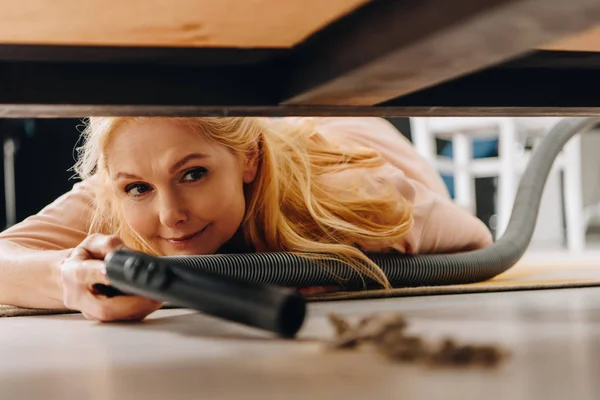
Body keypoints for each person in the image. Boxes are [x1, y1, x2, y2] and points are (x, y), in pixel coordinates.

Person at [0, 117, 492, 321]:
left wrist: (328, 265)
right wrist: (66, 277)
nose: (169, 215)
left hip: (345, 130)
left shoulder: (354, 194)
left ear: (249, 159)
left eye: (192, 174)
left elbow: (477, 241)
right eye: (139, 189)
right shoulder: (120, 187)